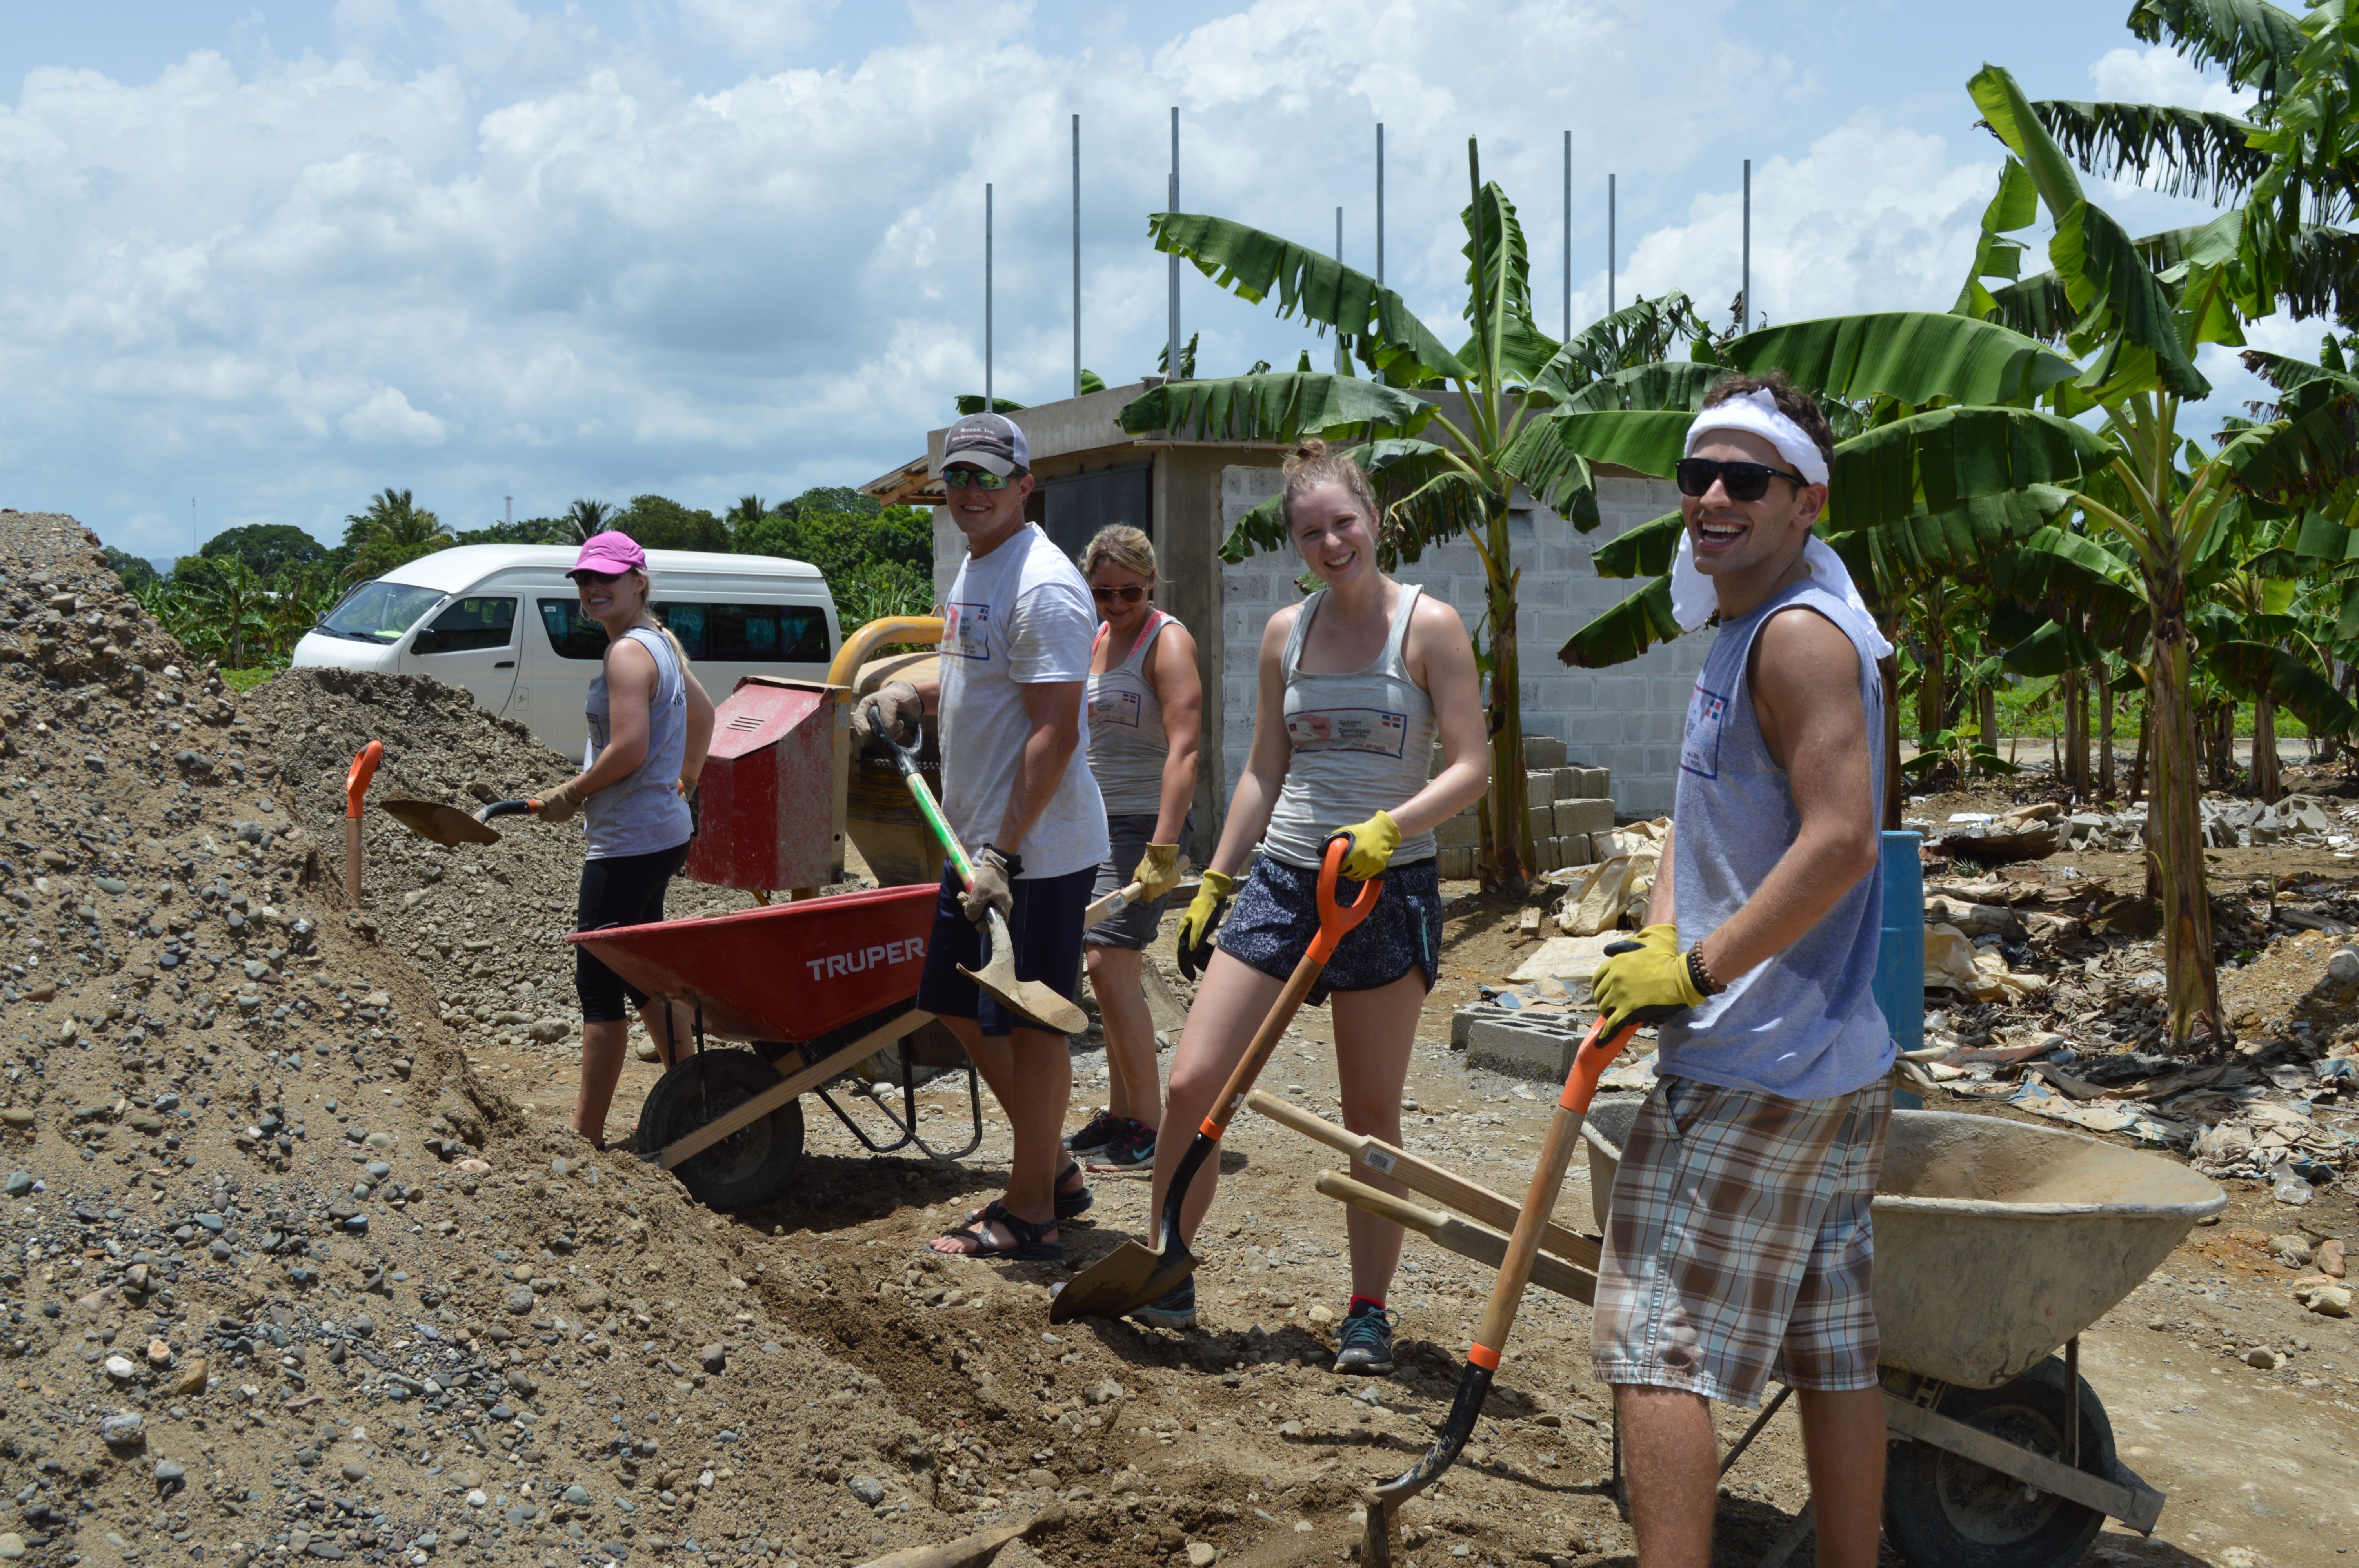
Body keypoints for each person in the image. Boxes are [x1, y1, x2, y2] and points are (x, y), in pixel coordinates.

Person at [1586, 372, 1894, 1568]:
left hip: (1755, 1056)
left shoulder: (1802, 642)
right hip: (1827, 1055)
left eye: (1745, 481)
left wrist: (1701, 973)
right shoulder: (1747, 622)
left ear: (1804, 502)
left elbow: (1843, 841)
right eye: (1697, 477)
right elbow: (1701, 819)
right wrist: (1662, 935)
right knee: (1833, 1340)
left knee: (1652, 1338)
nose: (1713, 498)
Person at [1147, 438, 1487, 1365]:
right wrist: (1218, 874)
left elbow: (1471, 765)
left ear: (1374, 520)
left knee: (1369, 1109)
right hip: (1289, 876)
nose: (1331, 542)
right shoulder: (1283, 634)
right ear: (1294, 542)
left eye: (1344, 522)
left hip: (1385, 882)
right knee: (1192, 1081)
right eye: (1311, 531)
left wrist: (1392, 825)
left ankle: (1368, 1309)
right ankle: (1163, 1264)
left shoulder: (1430, 626)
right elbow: (1265, 767)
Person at [853, 411, 1109, 1261]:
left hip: (1029, 849)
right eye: (958, 477)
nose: (970, 491)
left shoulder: (1042, 585)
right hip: (978, 845)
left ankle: (1031, 1208)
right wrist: (911, 696)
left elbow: (1055, 732)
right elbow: (974, 676)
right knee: (955, 1007)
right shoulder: (978, 566)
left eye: (987, 477)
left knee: (1032, 1029)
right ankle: (1057, 1165)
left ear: (1023, 484)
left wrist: (1002, 852)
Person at [534, 531, 718, 1151]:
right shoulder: (661, 643)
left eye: (606, 579)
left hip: (629, 841)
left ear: (639, 581)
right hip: (662, 834)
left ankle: (583, 1135)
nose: (593, 589)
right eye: (585, 580)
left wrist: (573, 793)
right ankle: (695, 1102)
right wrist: (686, 780)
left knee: (599, 984)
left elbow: (631, 748)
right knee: (645, 977)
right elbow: (706, 712)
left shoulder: (625, 655)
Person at [1067, 524, 1201, 1172]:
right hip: (1093, 823)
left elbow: (1186, 747)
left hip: (1143, 824)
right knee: (1105, 969)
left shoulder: (1165, 641)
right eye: (1102, 592)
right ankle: (1121, 1114)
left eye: (1128, 591)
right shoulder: (1096, 636)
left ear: (1151, 583)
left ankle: (1149, 1129)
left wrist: (1165, 847)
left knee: (1107, 965)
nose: (1116, 604)